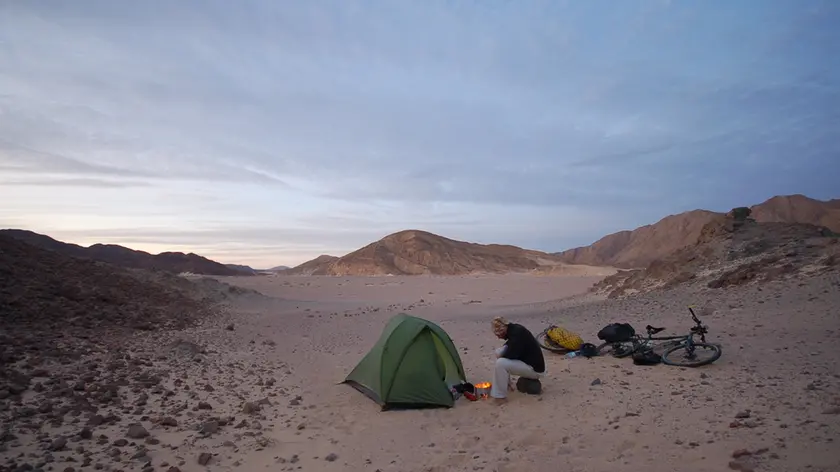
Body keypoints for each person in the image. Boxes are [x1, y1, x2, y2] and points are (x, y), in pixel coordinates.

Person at [490, 317, 545, 403]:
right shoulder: (515, 330)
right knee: (500, 355)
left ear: (502, 330)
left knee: (500, 363)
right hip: (529, 364)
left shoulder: (517, 334)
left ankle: (499, 397)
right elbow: (510, 348)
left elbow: (511, 355)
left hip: (535, 369)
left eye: (498, 335)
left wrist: (502, 354)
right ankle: (506, 384)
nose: (498, 338)